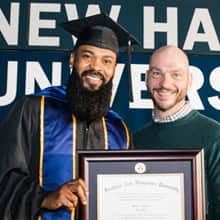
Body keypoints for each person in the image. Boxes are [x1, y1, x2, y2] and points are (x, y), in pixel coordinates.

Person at [0, 14, 138, 220]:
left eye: (106, 61)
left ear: (114, 70)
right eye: (87, 56)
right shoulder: (33, 109)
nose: (96, 67)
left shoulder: (119, 130)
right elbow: (5, 177)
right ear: (73, 59)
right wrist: (45, 198)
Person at [134, 45, 220, 220]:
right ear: (147, 78)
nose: (165, 84)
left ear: (189, 81)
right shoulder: (136, 139)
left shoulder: (215, 136)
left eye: (176, 75)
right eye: (157, 73)